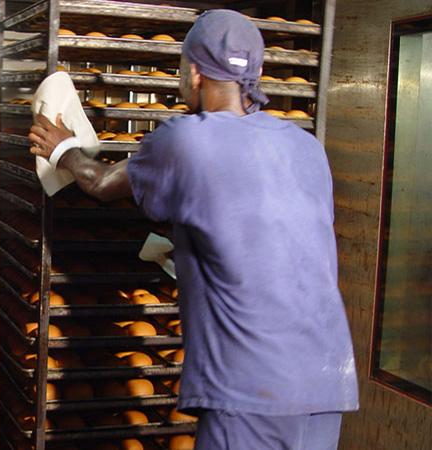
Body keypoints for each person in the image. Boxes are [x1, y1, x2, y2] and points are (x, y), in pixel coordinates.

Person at [28, 9, 358, 450]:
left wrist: (62, 147)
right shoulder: (305, 146)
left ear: (196, 73)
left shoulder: (185, 139)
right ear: (255, 74)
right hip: (324, 380)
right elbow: (275, 233)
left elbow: (101, 182)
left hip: (249, 386)